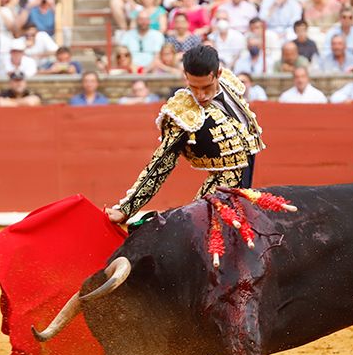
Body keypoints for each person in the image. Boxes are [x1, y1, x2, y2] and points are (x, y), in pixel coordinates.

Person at [106, 44, 263, 225]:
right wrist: (126, 209)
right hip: (217, 196)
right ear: (186, 77)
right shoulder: (183, 112)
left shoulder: (230, 85)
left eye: (206, 87)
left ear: (218, 74)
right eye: (194, 87)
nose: (201, 95)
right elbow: (161, 163)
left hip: (244, 188)